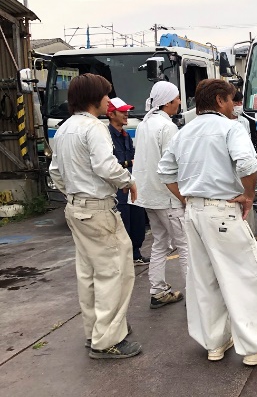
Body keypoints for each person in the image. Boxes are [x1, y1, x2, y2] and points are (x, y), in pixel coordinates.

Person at [158, 79, 257, 365]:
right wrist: (248, 195)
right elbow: (246, 163)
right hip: (222, 210)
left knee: (204, 279)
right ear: (220, 100)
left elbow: (166, 172)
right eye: (231, 100)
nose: (235, 106)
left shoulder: (184, 131)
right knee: (244, 277)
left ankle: (215, 343)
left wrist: (186, 199)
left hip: (193, 212)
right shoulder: (231, 128)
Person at [49, 73, 141, 359]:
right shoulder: (94, 128)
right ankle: (108, 340)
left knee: (89, 273)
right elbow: (106, 166)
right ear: (94, 98)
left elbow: (54, 171)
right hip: (98, 209)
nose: (108, 100)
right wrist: (128, 180)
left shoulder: (64, 128)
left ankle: (95, 332)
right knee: (116, 272)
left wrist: (73, 194)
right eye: (105, 95)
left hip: (75, 208)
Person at [131, 81, 188, 309]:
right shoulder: (168, 128)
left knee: (159, 243)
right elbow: (172, 165)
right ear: (167, 102)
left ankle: (158, 291)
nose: (179, 103)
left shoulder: (144, 125)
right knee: (185, 246)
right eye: (176, 99)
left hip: (148, 196)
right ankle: (196, 297)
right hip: (167, 196)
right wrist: (183, 195)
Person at [106, 97, 149, 266]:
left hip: (132, 185)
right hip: (118, 189)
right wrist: (127, 164)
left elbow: (133, 158)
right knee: (123, 224)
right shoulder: (106, 136)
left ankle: (135, 253)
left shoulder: (125, 136)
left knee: (137, 222)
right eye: (123, 112)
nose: (127, 115)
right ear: (111, 114)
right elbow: (112, 163)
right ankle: (123, 257)